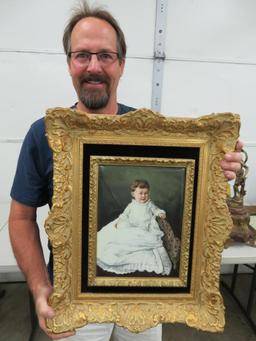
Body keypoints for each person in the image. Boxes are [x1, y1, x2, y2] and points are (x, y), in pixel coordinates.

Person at [8, 1, 243, 340]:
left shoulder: (154, 133)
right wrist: (40, 287)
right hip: (75, 300)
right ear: (69, 63)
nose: (93, 66)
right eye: (82, 55)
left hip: (147, 298)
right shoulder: (42, 134)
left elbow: (193, 196)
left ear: (121, 64)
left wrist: (216, 167)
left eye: (105, 55)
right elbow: (20, 218)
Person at [97, 179, 172, 276]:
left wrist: (160, 213)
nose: (143, 196)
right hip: (132, 225)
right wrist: (119, 221)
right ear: (133, 194)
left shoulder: (149, 204)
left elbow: (156, 210)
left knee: (146, 237)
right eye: (140, 193)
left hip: (143, 227)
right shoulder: (131, 205)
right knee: (122, 226)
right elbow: (124, 215)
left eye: (146, 193)